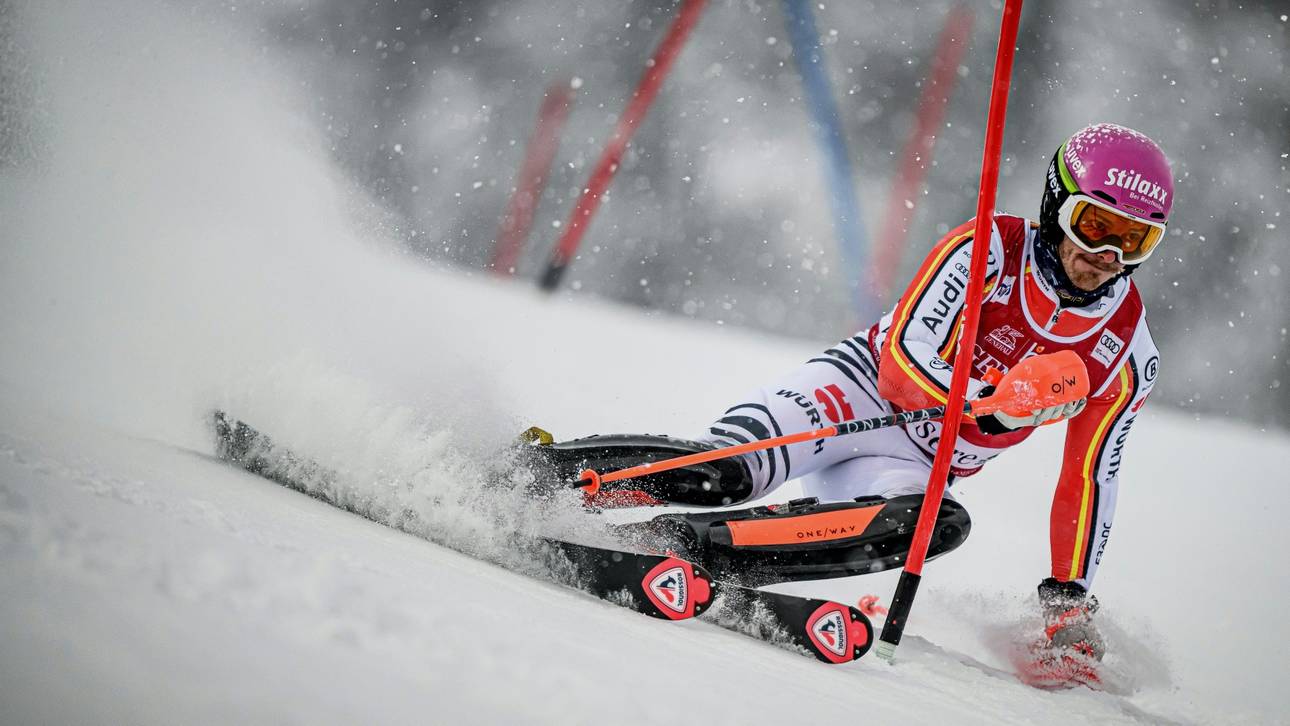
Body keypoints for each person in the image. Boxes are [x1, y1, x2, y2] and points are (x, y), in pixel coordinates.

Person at [528, 123, 1171, 666]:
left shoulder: (1127, 351)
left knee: (937, 524)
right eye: (1094, 226)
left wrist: (1067, 598)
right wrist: (990, 401)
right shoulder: (987, 252)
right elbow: (900, 366)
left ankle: (690, 547)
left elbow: (1089, 479)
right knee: (728, 472)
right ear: (1057, 204)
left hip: (913, 463)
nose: (1106, 255)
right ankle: (540, 474)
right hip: (851, 397)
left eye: (1134, 240)